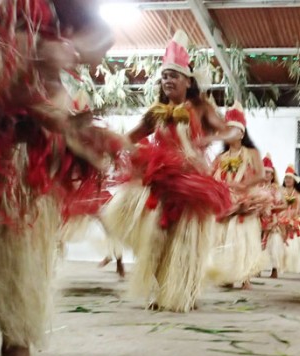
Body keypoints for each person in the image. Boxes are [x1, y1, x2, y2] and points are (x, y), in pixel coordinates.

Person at [0, 0, 121, 356]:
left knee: (2, 238)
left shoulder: (36, 7)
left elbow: (99, 35)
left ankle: (16, 345)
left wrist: (60, 51)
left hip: (12, 137)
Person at [101, 31, 235, 313]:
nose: (168, 80)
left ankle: (186, 291)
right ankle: (161, 289)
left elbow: (232, 130)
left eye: (174, 75)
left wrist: (207, 140)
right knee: (156, 240)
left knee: (186, 243)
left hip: (190, 186)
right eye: (164, 76)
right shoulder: (156, 112)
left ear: (188, 81)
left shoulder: (201, 107)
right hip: (160, 183)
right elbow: (131, 136)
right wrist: (110, 146)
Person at [208, 103, 269, 290]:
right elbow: (210, 176)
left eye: (233, 129)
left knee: (242, 236)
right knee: (223, 236)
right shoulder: (220, 158)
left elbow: (260, 175)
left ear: (242, 133)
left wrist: (241, 185)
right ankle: (226, 274)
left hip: (244, 198)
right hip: (225, 200)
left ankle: (245, 277)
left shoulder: (251, 153)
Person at [259, 155, 288, 279]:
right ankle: (256, 268)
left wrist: (273, 209)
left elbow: (285, 205)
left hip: (272, 220)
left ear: (272, 175)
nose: (266, 175)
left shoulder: (276, 189)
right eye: (264, 172)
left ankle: (274, 269)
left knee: (274, 244)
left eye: (268, 173)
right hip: (258, 218)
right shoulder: (256, 188)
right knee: (258, 243)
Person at [280, 165, 300, 274]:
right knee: (281, 243)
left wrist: (299, 210)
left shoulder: (299, 194)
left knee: (292, 243)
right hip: (281, 219)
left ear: (294, 181)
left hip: (294, 220)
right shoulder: (280, 191)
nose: (287, 180)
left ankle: (291, 265)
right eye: (286, 178)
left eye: (290, 178)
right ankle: (280, 266)